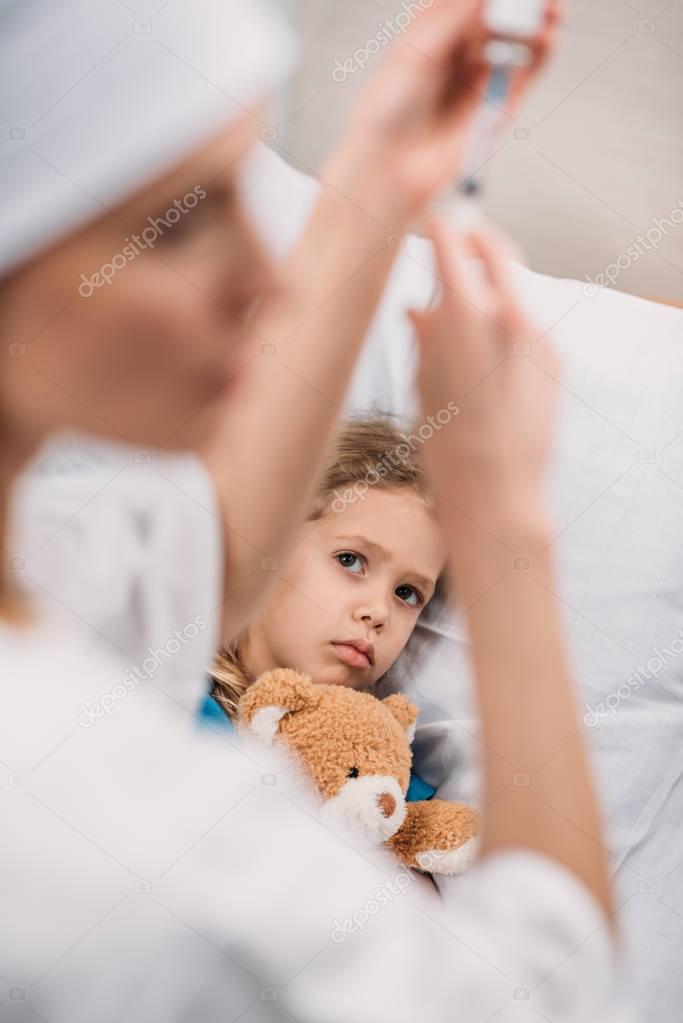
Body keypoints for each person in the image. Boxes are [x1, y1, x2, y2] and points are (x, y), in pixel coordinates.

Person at [1, 0, 625, 1019]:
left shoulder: (50, 590)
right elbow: (542, 998)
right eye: (182, 221)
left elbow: (193, 568)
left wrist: (375, 187)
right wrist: (504, 518)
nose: (267, 275)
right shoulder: (133, 851)